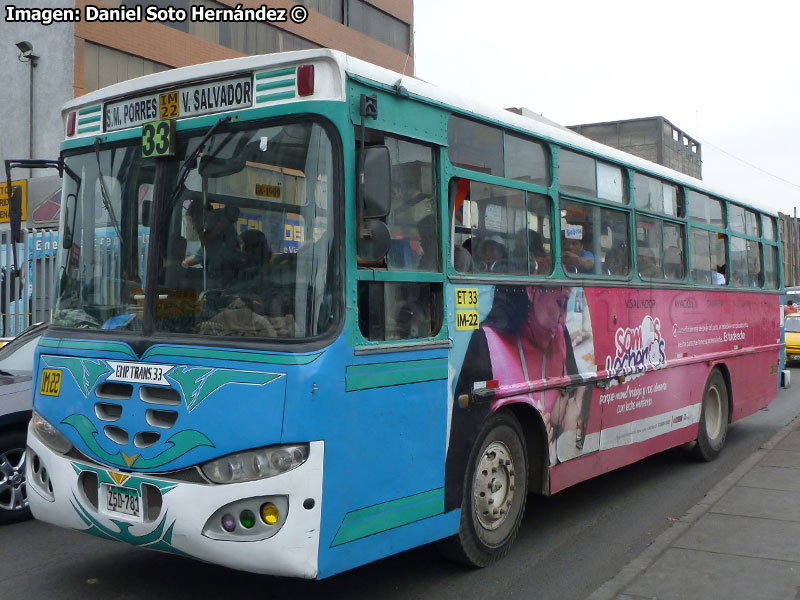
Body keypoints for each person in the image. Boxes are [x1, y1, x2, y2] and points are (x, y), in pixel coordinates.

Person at [454, 285, 590, 465]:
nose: (564, 317)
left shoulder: (561, 335)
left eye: (567, 304)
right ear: (532, 290)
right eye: (560, 303)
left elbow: (574, 395)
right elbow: (463, 442)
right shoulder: (486, 342)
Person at [181, 200, 241, 284]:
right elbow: (200, 256)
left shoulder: (221, 240)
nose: (194, 226)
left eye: (193, 220)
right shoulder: (212, 244)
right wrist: (181, 264)